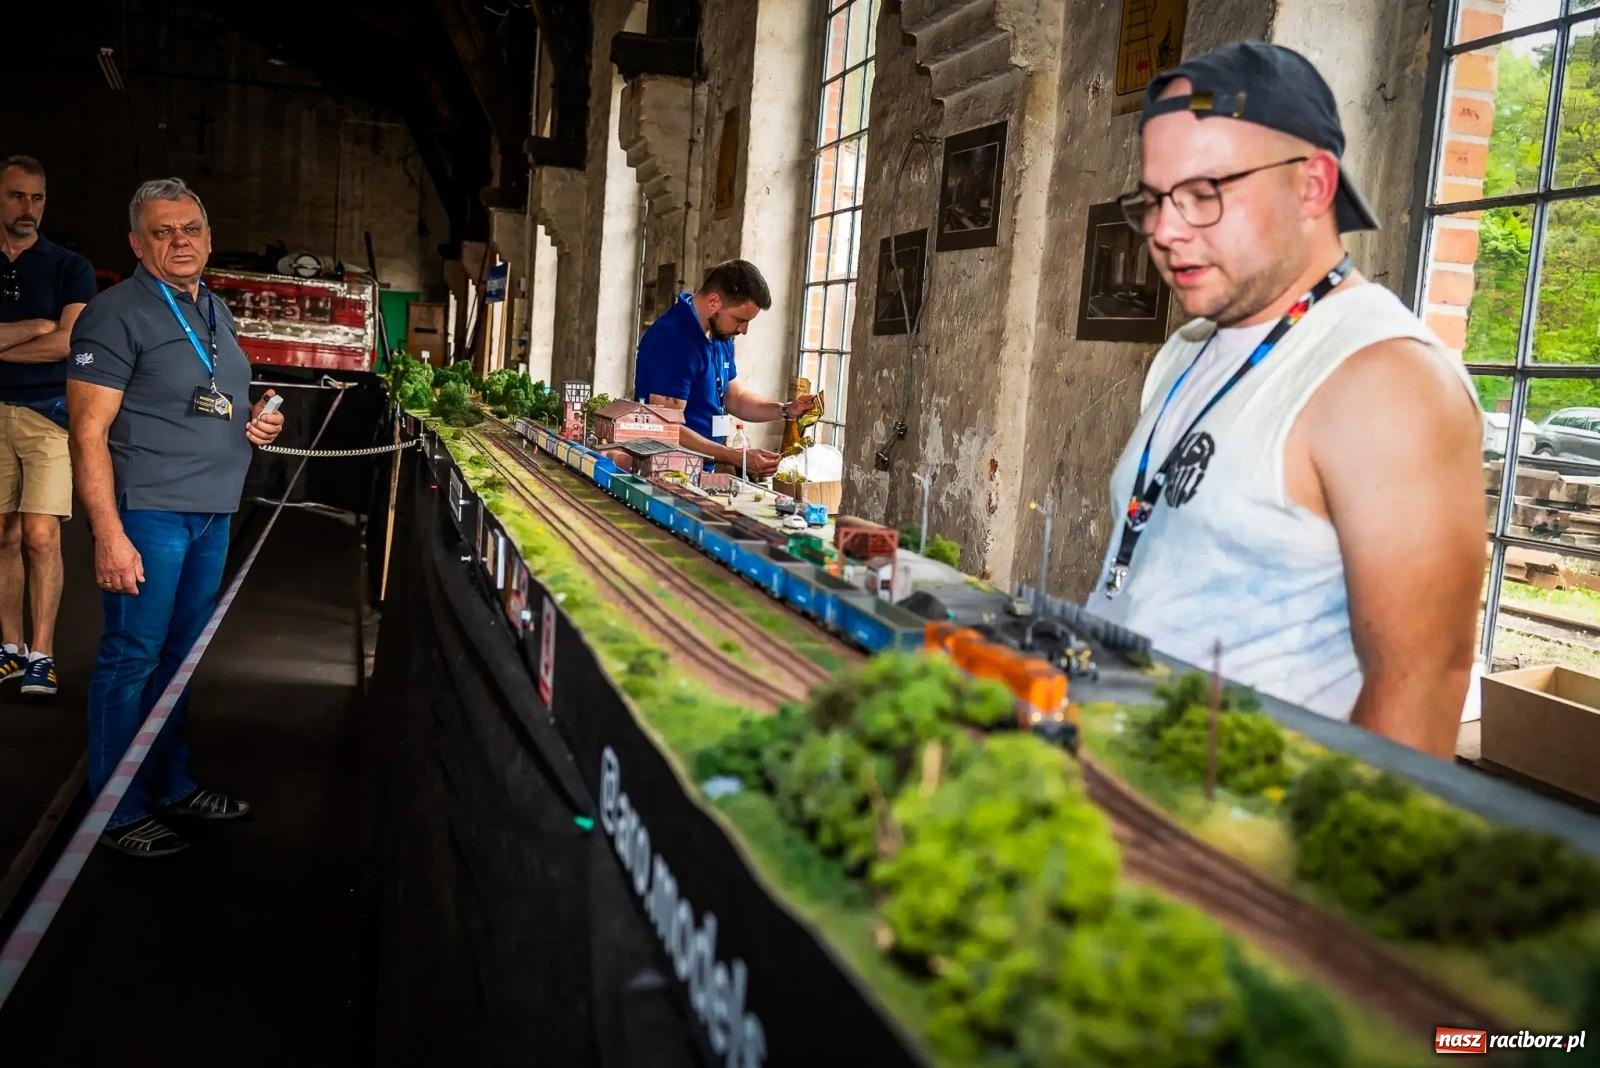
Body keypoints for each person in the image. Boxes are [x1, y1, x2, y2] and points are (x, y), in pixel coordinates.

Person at [1085, 42, 1483, 760]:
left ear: (1312, 187)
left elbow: (1421, 693)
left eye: (1205, 192)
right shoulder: (1187, 350)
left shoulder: (1384, 379)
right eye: (1153, 201)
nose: (1167, 231)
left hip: (1247, 836)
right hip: (1122, 788)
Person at [67, 177, 285, 857]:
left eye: (190, 228)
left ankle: (168, 784)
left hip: (212, 513)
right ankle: (116, 810)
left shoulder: (215, 312)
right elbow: (87, 433)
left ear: (209, 236)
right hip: (149, 514)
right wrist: (109, 533)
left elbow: (208, 398)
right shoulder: (114, 314)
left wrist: (255, 426)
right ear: (136, 243)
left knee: (178, 662)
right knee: (131, 659)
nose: (179, 241)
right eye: (162, 232)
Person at [0, 156, 96, 696]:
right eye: (17, 196)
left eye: (37, 199)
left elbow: (70, 341)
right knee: (2, 536)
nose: (28, 209)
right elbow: (50, 333)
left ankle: (43, 654)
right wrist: (36, 325)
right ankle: (10, 649)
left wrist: (7, 344)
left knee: (40, 536)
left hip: (48, 415)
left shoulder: (69, 266)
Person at [632, 260, 817, 479]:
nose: (744, 330)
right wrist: (737, 458)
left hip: (700, 468)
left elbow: (735, 397)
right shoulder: (672, 340)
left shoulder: (720, 333)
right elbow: (667, 429)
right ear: (713, 302)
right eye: (740, 320)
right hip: (665, 472)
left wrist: (786, 410)